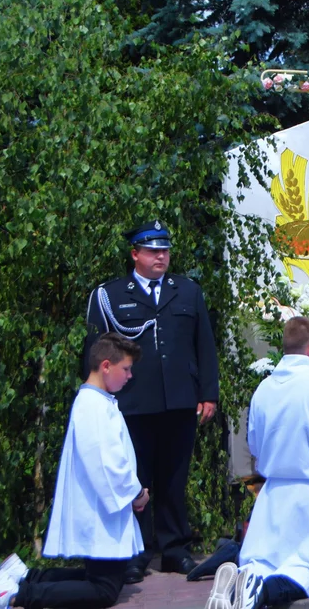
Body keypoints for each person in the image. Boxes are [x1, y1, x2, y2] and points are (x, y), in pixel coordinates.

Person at [186, 316, 309, 584]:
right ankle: (258, 590)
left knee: (274, 564)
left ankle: (242, 570)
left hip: (275, 496)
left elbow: (254, 443)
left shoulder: (264, 388)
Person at [0, 334, 149, 609]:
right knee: (104, 590)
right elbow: (106, 462)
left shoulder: (97, 402)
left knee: (102, 581)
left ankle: (26, 577)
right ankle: (15, 596)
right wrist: (135, 493)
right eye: (126, 368)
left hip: (105, 509)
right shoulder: (92, 405)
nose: (130, 375)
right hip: (102, 510)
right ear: (106, 365)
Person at [84, 220, 218, 582]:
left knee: (174, 479)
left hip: (178, 401)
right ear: (135, 254)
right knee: (135, 478)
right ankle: (136, 553)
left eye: (165, 250)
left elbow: (204, 345)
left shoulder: (187, 291)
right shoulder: (111, 295)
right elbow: (95, 350)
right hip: (132, 402)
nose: (162, 256)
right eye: (153, 250)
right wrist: (99, 395)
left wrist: (208, 393)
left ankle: (176, 550)